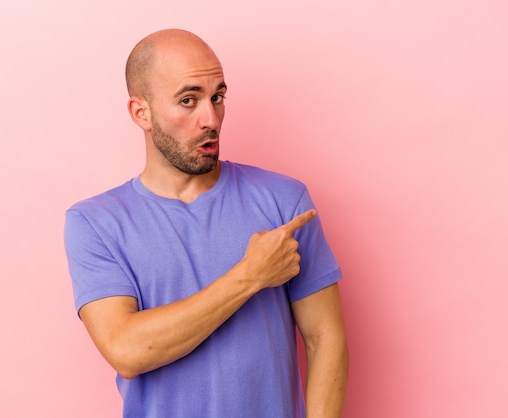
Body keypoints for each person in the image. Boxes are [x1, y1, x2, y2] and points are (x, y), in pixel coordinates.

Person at [64, 29, 348, 418]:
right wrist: (250, 276)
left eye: (217, 97)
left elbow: (324, 338)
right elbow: (127, 350)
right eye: (188, 100)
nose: (211, 118)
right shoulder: (95, 222)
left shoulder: (285, 200)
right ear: (140, 112)